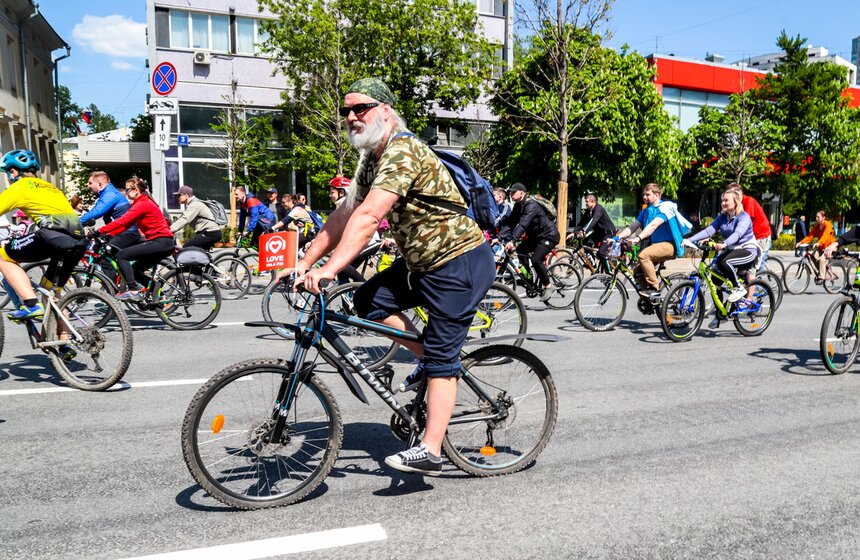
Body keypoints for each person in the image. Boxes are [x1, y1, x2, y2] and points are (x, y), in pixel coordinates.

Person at [294, 77, 494, 476]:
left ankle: (432, 448)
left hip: (459, 262)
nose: (351, 117)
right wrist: (306, 260)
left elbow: (369, 217)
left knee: (441, 356)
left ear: (384, 110)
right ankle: (432, 360)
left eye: (360, 109)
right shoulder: (372, 157)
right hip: (422, 264)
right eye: (346, 111)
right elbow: (344, 214)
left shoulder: (403, 151)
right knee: (368, 301)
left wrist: (330, 270)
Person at [0, 149, 85, 326]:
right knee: (52, 294)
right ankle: (64, 344)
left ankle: (31, 304)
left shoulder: (19, 187)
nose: (8, 177)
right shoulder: (53, 188)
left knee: (3, 257)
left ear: (13, 171)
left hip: (52, 237)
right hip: (78, 241)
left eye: (8, 173)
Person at [684, 188, 759, 328]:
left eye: (726, 200)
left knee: (725, 261)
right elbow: (709, 230)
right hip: (731, 250)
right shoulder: (723, 217)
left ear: (736, 202)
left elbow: (737, 234)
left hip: (747, 250)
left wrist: (724, 243)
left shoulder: (744, 217)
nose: (723, 203)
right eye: (722, 200)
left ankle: (739, 288)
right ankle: (721, 314)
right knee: (714, 280)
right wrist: (690, 240)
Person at [98, 178, 175, 300]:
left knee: (122, 255)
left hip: (161, 241)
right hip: (163, 242)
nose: (127, 192)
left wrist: (100, 230)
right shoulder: (141, 203)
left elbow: (123, 220)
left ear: (136, 190)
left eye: (128, 189)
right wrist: (109, 234)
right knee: (135, 269)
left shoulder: (142, 203)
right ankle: (159, 295)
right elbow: (126, 225)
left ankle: (134, 289)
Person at [612, 183, 684, 298]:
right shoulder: (646, 211)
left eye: (648, 194)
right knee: (637, 272)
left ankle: (654, 289)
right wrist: (618, 237)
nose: (644, 197)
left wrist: (638, 238)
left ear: (657, 195)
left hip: (670, 245)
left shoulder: (665, 208)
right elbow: (633, 226)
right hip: (657, 245)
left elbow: (653, 226)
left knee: (643, 256)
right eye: (644, 194)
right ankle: (649, 300)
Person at [501, 182, 560, 301]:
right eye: (510, 192)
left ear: (521, 193)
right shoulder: (518, 205)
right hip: (536, 237)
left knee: (536, 259)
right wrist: (498, 237)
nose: (511, 195)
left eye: (513, 192)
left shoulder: (531, 205)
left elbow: (523, 224)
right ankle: (528, 278)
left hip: (548, 236)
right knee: (520, 250)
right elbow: (511, 223)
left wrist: (512, 240)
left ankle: (548, 285)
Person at [79, 170, 140, 253]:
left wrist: (76, 222)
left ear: (100, 184)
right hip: (121, 232)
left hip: (127, 233)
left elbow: (97, 212)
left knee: (105, 259)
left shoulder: (110, 194)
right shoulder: (106, 194)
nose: (88, 185)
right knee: (98, 250)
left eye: (90, 183)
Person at [727, 183, 771, 273]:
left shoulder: (748, 202)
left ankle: (759, 286)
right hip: (750, 237)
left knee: (753, 268)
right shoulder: (735, 204)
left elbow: (744, 223)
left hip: (760, 236)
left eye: (734, 193)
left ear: (740, 193)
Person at [170, 185, 222, 251]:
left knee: (187, 247)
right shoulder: (191, 205)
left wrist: (169, 230)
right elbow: (181, 218)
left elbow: (185, 219)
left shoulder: (195, 204)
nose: (177, 198)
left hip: (210, 233)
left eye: (179, 195)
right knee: (199, 253)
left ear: (186, 196)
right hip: (206, 232)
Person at [571, 194, 616, 259]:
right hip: (599, 232)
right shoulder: (588, 211)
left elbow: (593, 220)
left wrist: (584, 231)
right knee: (586, 243)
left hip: (608, 232)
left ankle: (609, 268)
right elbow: (582, 223)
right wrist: (574, 232)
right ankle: (592, 264)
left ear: (592, 201)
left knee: (602, 252)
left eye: (587, 201)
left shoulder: (598, 209)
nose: (585, 203)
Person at [797, 210, 835, 283]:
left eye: (818, 217)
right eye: (816, 217)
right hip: (821, 247)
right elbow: (810, 236)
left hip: (829, 247)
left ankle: (822, 277)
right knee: (812, 256)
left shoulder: (828, 225)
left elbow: (825, 235)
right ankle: (822, 270)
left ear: (823, 217)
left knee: (822, 260)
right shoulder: (817, 226)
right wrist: (801, 242)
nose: (816, 218)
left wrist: (818, 243)